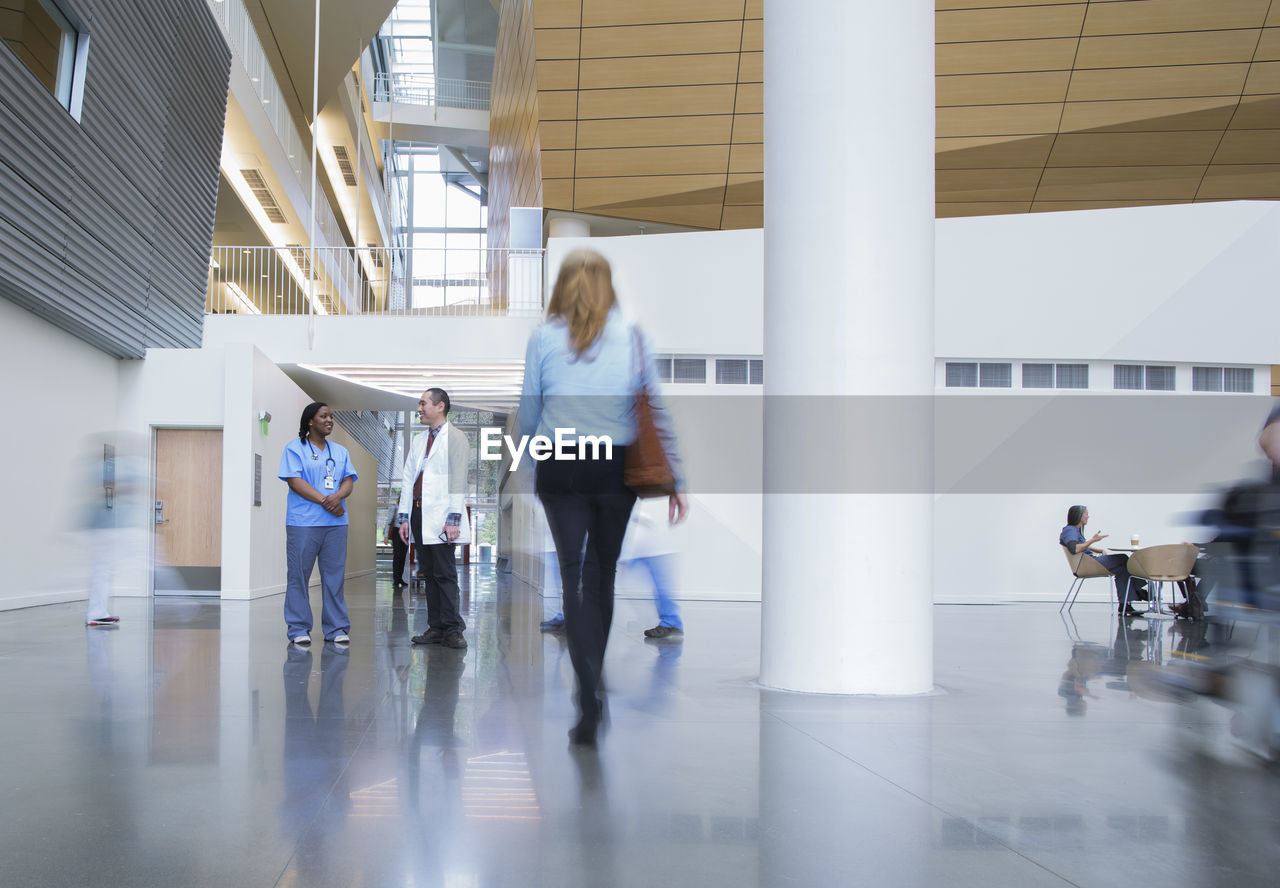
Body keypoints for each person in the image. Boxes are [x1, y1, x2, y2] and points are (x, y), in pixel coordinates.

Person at [519, 248, 688, 745]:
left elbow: (530, 414)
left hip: (561, 464)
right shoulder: (634, 340)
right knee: (602, 575)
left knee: (572, 571)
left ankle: (587, 692)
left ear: (562, 286)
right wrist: (673, 477)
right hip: (614, 469)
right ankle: (592, 682)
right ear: (608, 287)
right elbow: (653, 408)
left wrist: (533, 460)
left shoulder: (543, 339)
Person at [278, 402, 357, 645]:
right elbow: (294, 481)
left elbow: (348, 480)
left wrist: (339, 496)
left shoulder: (340, 452)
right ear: (310, 421)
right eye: (324, 416)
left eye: (331, 416)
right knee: (299, 576)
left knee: (334, 577)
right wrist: (325, 499)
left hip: (336, 523)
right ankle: (298, 628)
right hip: (304, 523)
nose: (329, 420)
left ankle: (336, 629)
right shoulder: (294, 449)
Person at [398, 388, 470, 650]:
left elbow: (459, 478)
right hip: (419, 512)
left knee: (444, 572)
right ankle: (436, 627)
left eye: (423, 403)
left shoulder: (457, 438)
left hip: (441, 515)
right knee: (428, 572)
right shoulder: (419, 440)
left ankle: (453, 628)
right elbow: (408, 478)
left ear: (440, 406)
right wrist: (404, 517)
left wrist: (453, 519)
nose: (419, 408)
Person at [1059, 505, 1148, 617]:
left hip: (1089, 562)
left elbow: (1081, 546)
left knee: (1122, 569)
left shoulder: (1073, 530)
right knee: (1123, 558)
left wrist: (1098, 549)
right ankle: (1139, 591)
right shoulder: (1070, 530)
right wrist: (1092, 540)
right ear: (1079, 516)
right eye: (1086, 514)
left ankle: (1125, 605)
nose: (1088, 516)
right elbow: (1074, 549)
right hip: (1088, 564)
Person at [386, 511, 409, 588]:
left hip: (406, 532)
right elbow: (388, 522)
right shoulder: (394, 508)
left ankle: (400, 578)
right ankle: (396, 579)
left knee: (403, 556)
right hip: (396, 532)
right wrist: (386, 536)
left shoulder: (408, 508)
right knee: (397, 555)